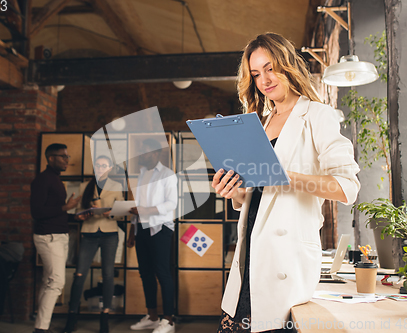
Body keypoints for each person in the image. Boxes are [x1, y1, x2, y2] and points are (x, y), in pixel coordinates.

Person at [212, 33, 361, 332]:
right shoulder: (259, 122)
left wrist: (286, 177)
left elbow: (347, 188)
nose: (264, 79)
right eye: (256, 74)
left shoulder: (318, 115)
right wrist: (235, 191)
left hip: (285, 261)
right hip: (250, 256)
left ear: (288, 65)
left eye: (270, 68)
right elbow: (254, 195)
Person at [31, 143, 91, 333]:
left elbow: (55, 213)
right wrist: (66, 207)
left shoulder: (55, 180)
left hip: (59, 235)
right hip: (49, 237)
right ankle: (40, 328)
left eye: (67, 157)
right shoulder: (43, 180)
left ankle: (40, 325)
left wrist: (75, 216)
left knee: (49, 281)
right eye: (63, 156)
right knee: (56, 283)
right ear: (50, 158)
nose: (67, 160)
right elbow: (37, 212)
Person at [62, 155, 124, 333]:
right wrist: (81, 215)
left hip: (109, 233)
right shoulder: (85, 186)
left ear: (110, 168)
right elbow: (78, 211)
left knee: (108, 274)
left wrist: (111, 213)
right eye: (98, 165)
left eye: (104, 165)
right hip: (88, 233)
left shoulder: (116, 186)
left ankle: (104, 318)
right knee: (79, 275)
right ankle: (71, 317)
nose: (100, 168)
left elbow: (121, 213)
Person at [127, 138, 178, 333]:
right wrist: (132, 232)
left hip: (160, 228)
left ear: (156, 154)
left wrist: (146, 211)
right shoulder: (140, 175)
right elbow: (137, 208)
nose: (143, 156)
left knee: (162, 273)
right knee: (145, 273)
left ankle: (168, 321)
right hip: (141, 229)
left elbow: (171, 204)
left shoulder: (167, 175)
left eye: (146, 152)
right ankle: (152, 317)